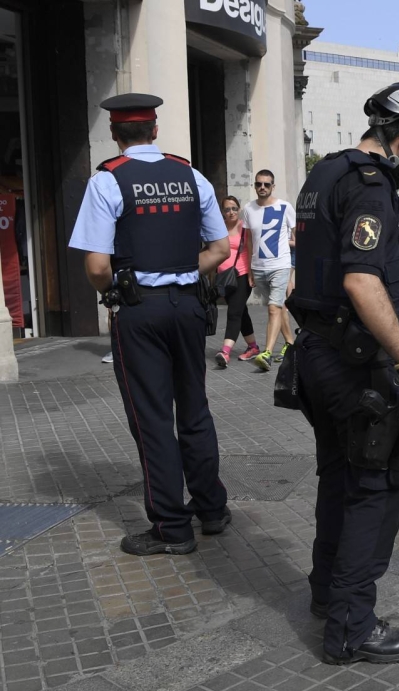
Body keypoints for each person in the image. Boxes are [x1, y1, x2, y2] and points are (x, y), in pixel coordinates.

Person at [287, 81, 399, 666]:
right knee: (374, 491)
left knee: (337, 478)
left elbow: (320, 272)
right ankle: (352, 628)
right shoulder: (372, 185)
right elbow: (360, 282)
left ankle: (327, 593)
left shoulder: (324, 173)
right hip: (355, 365)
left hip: (314, 353)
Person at [68, 93, 231, 556]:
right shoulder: (191, 175)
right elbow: (220, 250)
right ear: (155, 130)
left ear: (115, 134)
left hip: (140, 310)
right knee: (194, 410)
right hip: (189, 307)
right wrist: (183, 272)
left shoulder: (108, 180)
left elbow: (97, 266)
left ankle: (172, 528)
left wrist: (116, 291)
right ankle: (212, 509)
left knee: (153, 419)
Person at [243, 169, 296, 371]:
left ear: (273, 186)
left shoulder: (285, 207)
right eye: (259, 184)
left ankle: (266, 353)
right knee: (278, 307)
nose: (262, 187)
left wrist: (295, 263)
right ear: (255, 186)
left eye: (266, 184)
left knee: (274, 308)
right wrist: (250, 269)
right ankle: (290, 343)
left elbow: (297, 235)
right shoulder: (248, 209)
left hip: (280, 266)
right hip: (259, 268)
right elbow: (249, 241)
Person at [214, 195, 259, 367]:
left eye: (234, 208)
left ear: (239, 209)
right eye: (227, 209)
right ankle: (253, 347)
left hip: (242, 275)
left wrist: (252, 274)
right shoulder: (219, 228)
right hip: (224, 278)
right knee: (241, 312)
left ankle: (225, 352)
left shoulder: (244, 227)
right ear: (222, 212)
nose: (231, 212)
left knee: (233, 313)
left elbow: (252, 250)